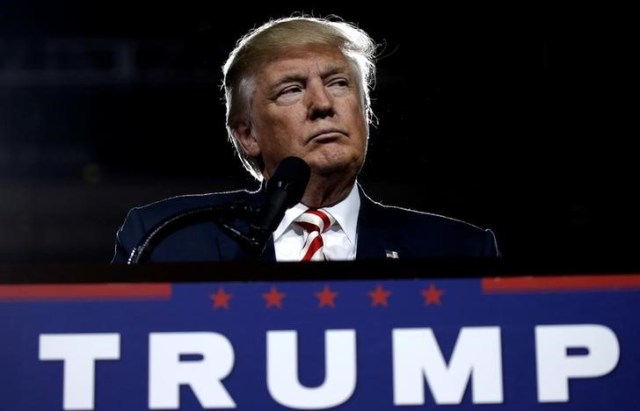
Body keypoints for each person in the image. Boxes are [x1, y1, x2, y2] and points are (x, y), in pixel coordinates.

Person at [112, 15, 499, 263]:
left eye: (338, 83)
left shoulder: (457, 251)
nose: (322, 104)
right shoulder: (168, 239)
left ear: (365, 112)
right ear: (247, 134)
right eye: (292, 90)